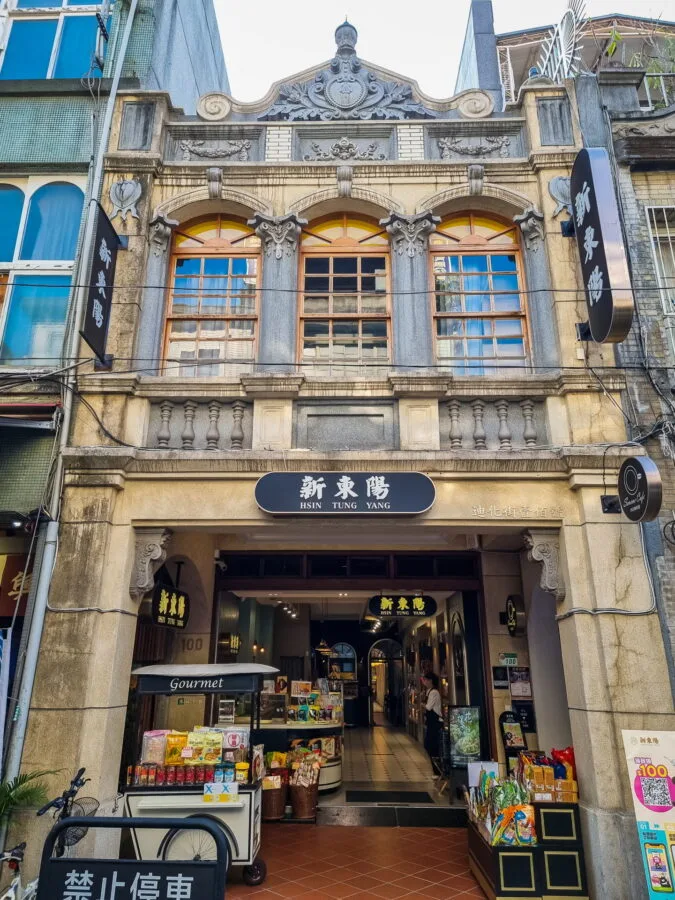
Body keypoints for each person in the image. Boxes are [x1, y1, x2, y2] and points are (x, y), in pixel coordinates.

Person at [421, 672, 442, 768]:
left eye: (425, 680)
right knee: (430, 745)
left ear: (430, 681)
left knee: (431, 745)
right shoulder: (428, 691)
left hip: (435, 722)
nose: (424, 682)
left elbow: (429, 707)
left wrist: (422, 705)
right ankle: (436, 769)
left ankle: (438, 769)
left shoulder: (434, 692)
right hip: (431, 722)